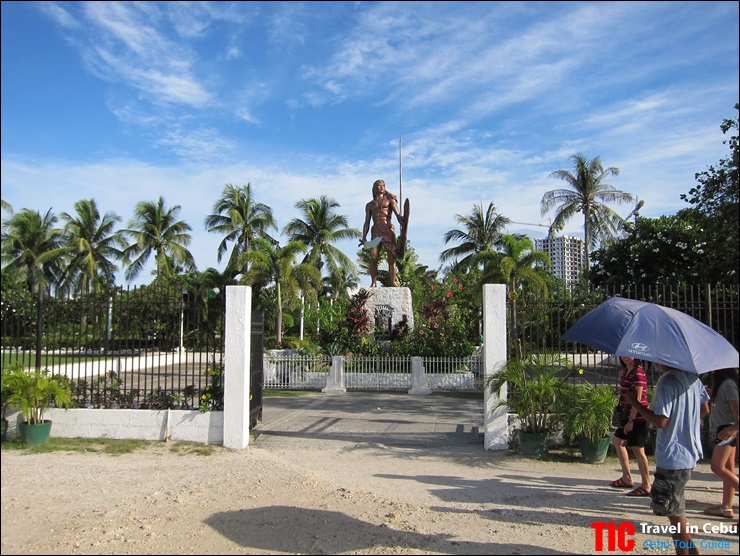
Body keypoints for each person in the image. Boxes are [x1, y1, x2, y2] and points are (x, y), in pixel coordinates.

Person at [624, 364, 710, 556]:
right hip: (689, 452)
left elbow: (661, 421)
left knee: (675, 515)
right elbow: (704, 409)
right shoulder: (692, 378)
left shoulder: (667, 382)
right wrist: (685, 420)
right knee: (677, 510)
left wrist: (634, 403)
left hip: (673, 455)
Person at [609, 356, 652, 497]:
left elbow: (638, 400)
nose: (626, 357)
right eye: (623, 353)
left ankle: (646, 485)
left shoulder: (638, 373)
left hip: (637, 417)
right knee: (617, 441)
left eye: (629, 354)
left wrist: (631, 420)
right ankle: (627, 477)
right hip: (626, 415)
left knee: (638, 450)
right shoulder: (629, 372)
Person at [703, 367, 738, 519]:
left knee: (717, 466)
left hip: (727, 429)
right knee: (728, 468)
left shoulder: (728, 384)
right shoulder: (724, 384)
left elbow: (737, 411)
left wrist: (734, 428)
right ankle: (726, 507)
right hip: (725, 428)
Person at [360, 179, 405, 288]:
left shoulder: (390, 200)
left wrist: (402, 219)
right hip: (376, 231)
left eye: (382, 186)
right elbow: (367, 222)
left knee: (391, 258)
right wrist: (364, 237)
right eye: (378, 185)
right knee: (374, 257)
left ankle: (392, 282)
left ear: (385, 188)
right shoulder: (370, 205)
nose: (380, 187)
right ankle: (374, 282)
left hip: (388, 230)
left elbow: (398, 215)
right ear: (374, 188)